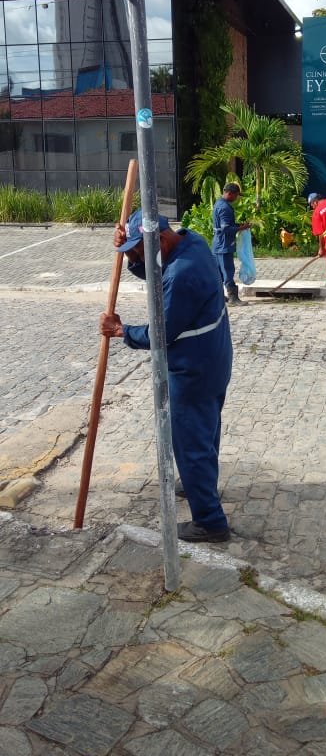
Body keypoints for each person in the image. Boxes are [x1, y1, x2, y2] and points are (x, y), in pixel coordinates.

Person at [100, 210, 233, 543]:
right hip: (213, 357)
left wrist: (121, 330)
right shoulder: (193, 242)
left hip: (193, 369)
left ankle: (210, 521)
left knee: (190, 442)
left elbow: (161, 333)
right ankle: (198, 483)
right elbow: (158, 271)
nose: (136, 257)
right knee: (205, 432)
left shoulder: (183, 273)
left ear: (159, 240)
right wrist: (130, 252)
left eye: (138, 250)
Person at [212, 183, 250, 306]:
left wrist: (238, 225)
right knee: (227, 270)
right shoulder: (225, 208)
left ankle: (217, 297)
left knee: (218, 272)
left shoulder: (219, 203)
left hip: (218, 244)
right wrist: (242, 227)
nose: (237, 198)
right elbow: (226, 228)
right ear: (230, 193)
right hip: (224, 245)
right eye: (236, 195)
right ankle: (233, 298)